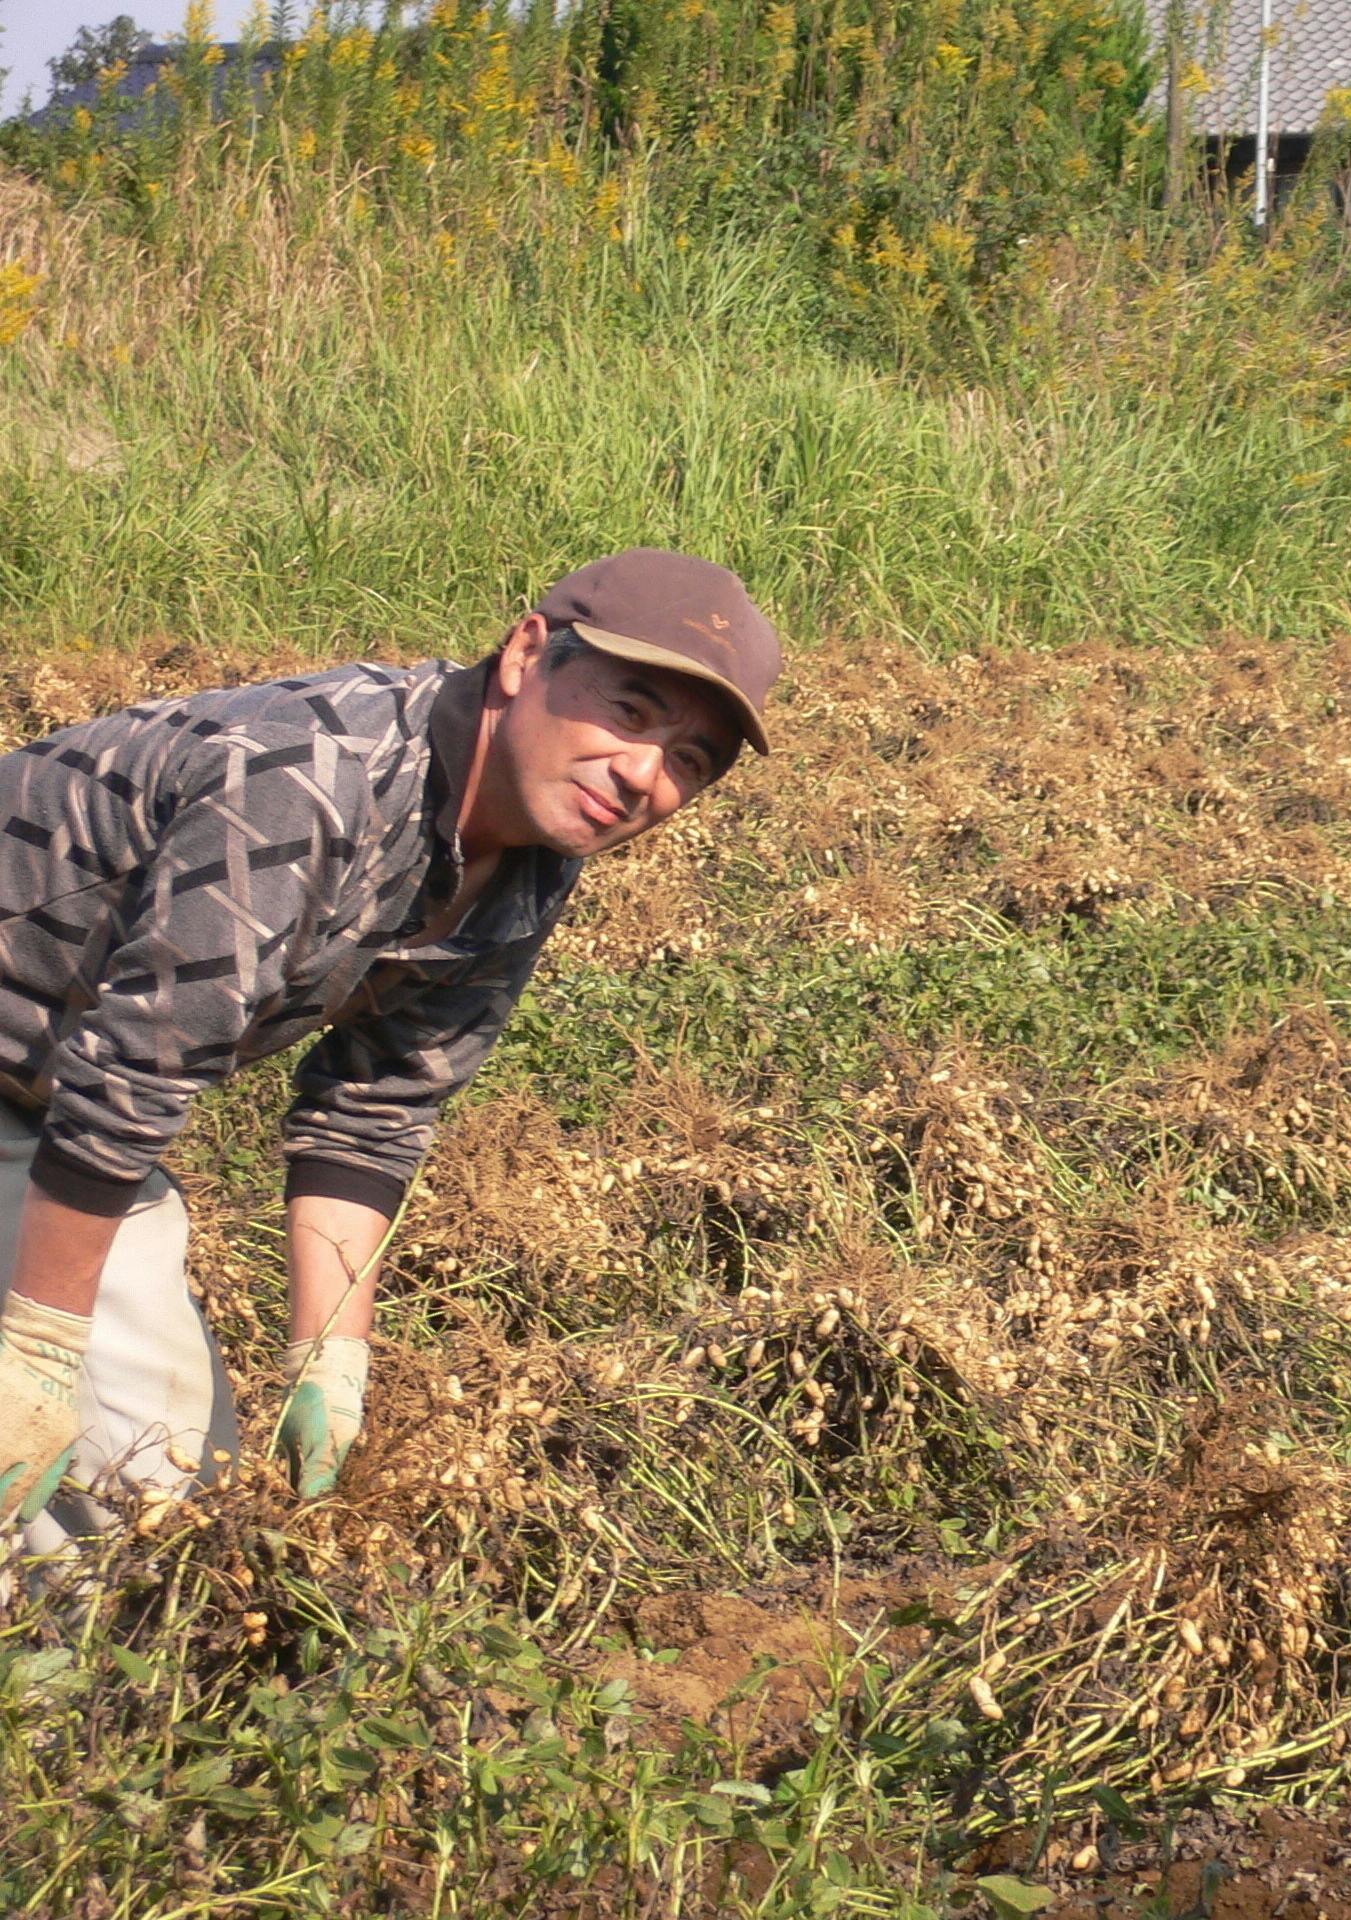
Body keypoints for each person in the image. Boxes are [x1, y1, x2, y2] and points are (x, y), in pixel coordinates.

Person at [0, 549, 780, 1554]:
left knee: (161, 1482)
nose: (643, 776)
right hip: (68, 1094)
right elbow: (132, 1081)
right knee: (69, 1454)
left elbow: (374, 1108)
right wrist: (39, 1350)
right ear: (525, 655)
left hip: (40, 1095)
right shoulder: (308, 784)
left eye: (689, 761)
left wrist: (329, 1363)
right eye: (630, 713)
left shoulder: (528, 862)